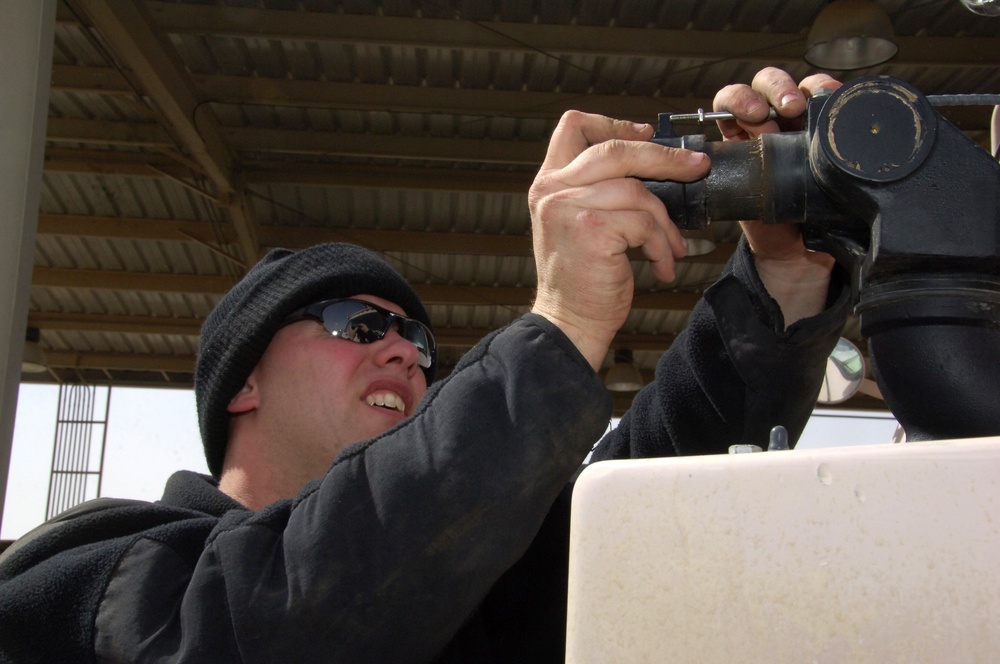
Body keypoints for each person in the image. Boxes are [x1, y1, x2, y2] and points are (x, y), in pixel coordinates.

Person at [0, 68, 849, 662]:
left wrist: (783, 273)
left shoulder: (467, 602)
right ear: (243, 382)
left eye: (420, 344)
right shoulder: (85, 577)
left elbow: (643, 503)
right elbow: (271, 620)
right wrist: (561, 325)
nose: (407, 351)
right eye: (357, 326)